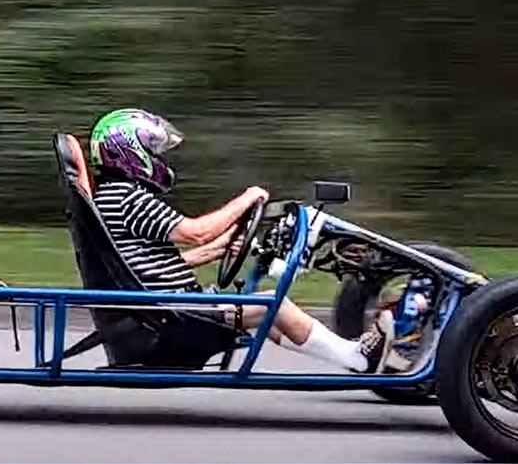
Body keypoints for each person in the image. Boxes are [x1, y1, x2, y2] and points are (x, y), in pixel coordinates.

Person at [88, 108, 397, 373]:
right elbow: (194, 232)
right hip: (171, 323)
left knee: (269, 317)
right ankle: (356, 358)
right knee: (273, 305)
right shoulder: (128, 198)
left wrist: (221, 247)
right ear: (129, 152)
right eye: (153, 150)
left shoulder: (112, 197)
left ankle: (350, 354)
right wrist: (248, 198)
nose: (159, 158)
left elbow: (149, 264)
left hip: (161, 315)